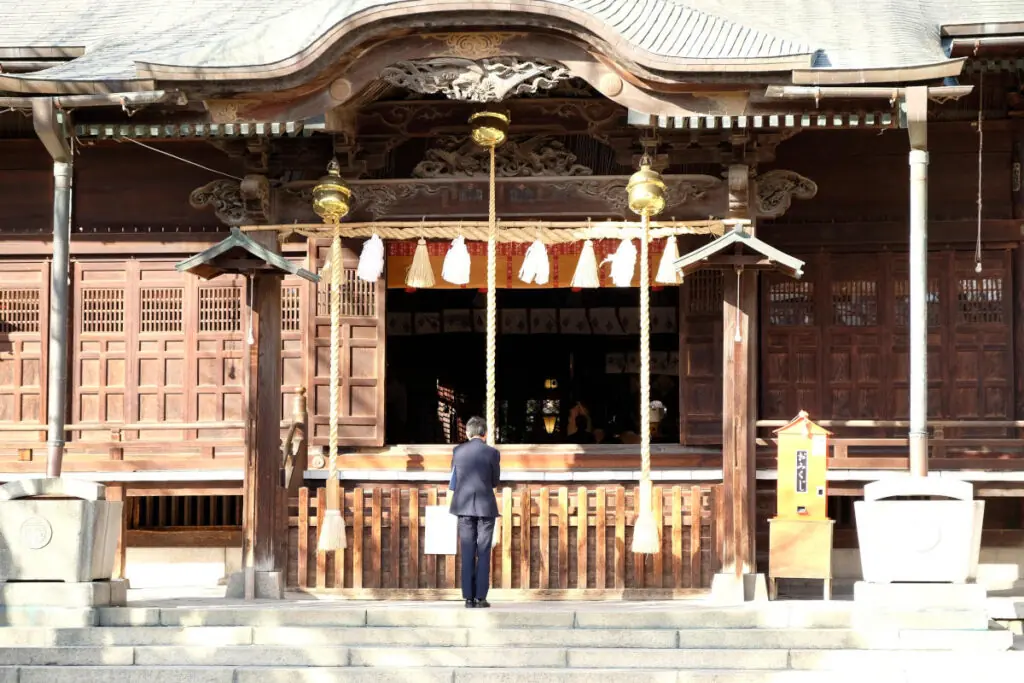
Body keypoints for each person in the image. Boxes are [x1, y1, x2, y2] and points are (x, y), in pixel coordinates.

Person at [448, 416, 500, 608]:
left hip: (463, 506)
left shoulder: (457, 451)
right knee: (484, 551)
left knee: (468, 551)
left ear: (468, 433)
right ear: (485, 434)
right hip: (485, 507)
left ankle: (468, 598)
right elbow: (495, 481)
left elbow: (453, 481)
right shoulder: (492, 453)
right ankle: (481, 597)